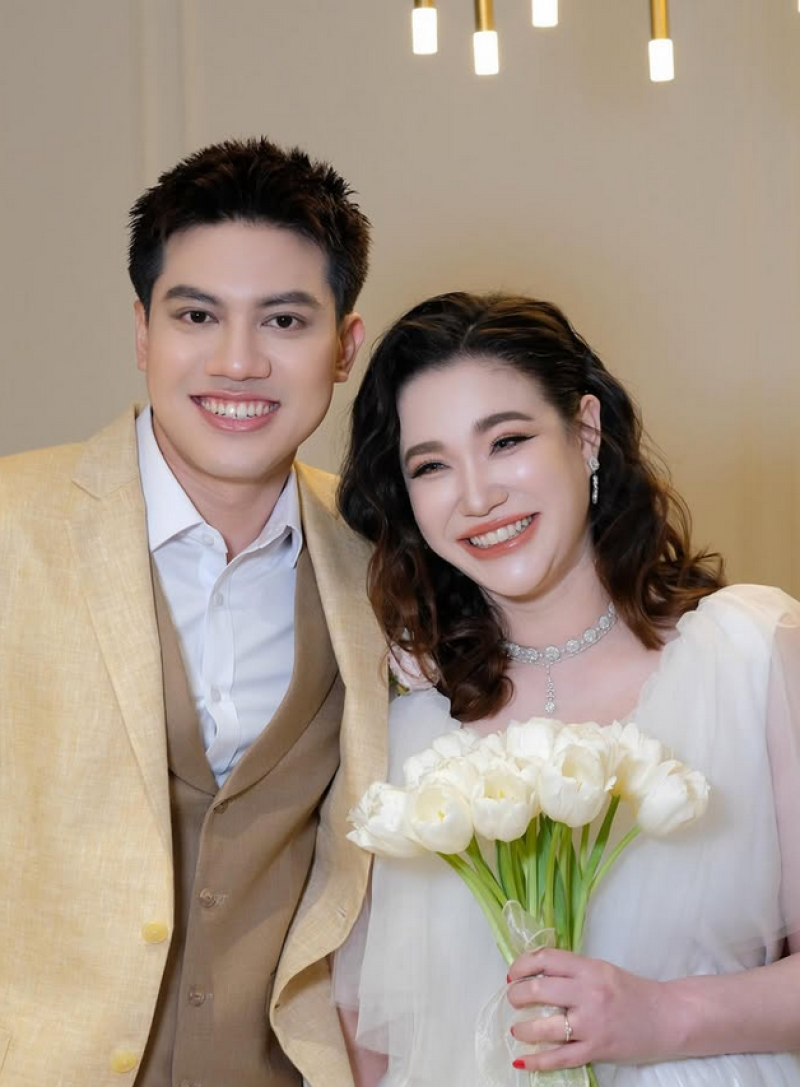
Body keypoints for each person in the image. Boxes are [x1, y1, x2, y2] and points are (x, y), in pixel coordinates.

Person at [335, 291, 800, 1086]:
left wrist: (663, 1013)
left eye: (507, 441)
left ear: (586, 431)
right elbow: (369, 1035)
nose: (476, 496)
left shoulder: (755, 656)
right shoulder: (400, 720)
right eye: (432, 465)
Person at [0, 138, 388, 1087]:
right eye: (197, 315)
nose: (238, 361)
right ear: (143, 332)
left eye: (285, 319)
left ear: (345, 346)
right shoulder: (13, 523)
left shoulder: (384, 558)